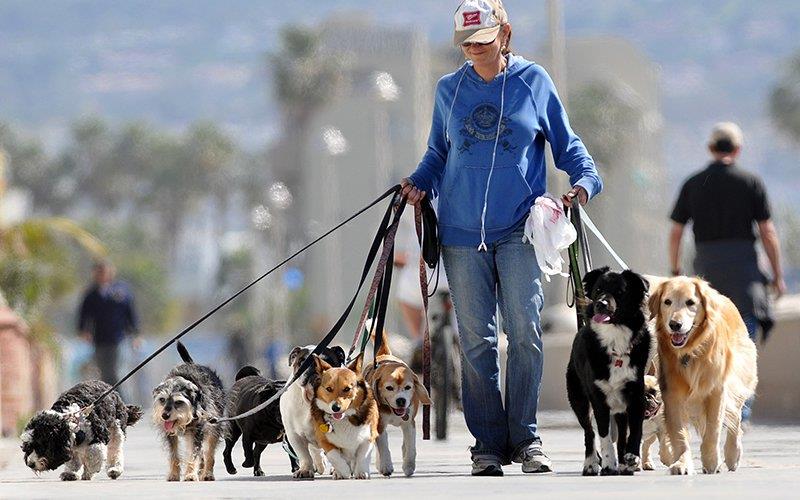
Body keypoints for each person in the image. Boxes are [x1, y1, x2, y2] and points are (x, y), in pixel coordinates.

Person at [401, 0, 602, 476]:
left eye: (483, 42)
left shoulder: (535, 82)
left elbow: (568, 146)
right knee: (476, 341)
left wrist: (583, 183)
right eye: (466, 44)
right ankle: (488, 444)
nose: (474, 51)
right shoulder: (450, 89)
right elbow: (437, 152)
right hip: (461, 234)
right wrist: (416, 182)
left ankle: (527, 439)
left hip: (520, 231)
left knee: (527, 334)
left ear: (504, 34)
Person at [668, 122, 785, 421]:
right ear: (737, 149)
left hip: (707, 278)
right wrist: (777, 274)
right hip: (745, 275)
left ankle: (706, 411)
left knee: (706, 344)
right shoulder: (751, 182)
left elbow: (676, 232)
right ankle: (739, 415)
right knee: (742, 346)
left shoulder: (694, 183)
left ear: (710, 148)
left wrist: (676, 269)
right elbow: (768, 232)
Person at [77, 261, 140, 385]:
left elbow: (130, 313)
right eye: (98, 272)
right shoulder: (91, 294)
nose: (101, 275)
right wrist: (84, 330)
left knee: (116, 372)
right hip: (99, 339)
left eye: (104, 272)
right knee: (104, 372)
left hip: (118, 338)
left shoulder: (121, 291)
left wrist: (135, 334)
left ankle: (122, 402)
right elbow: (84, 314)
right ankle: (110, 400)